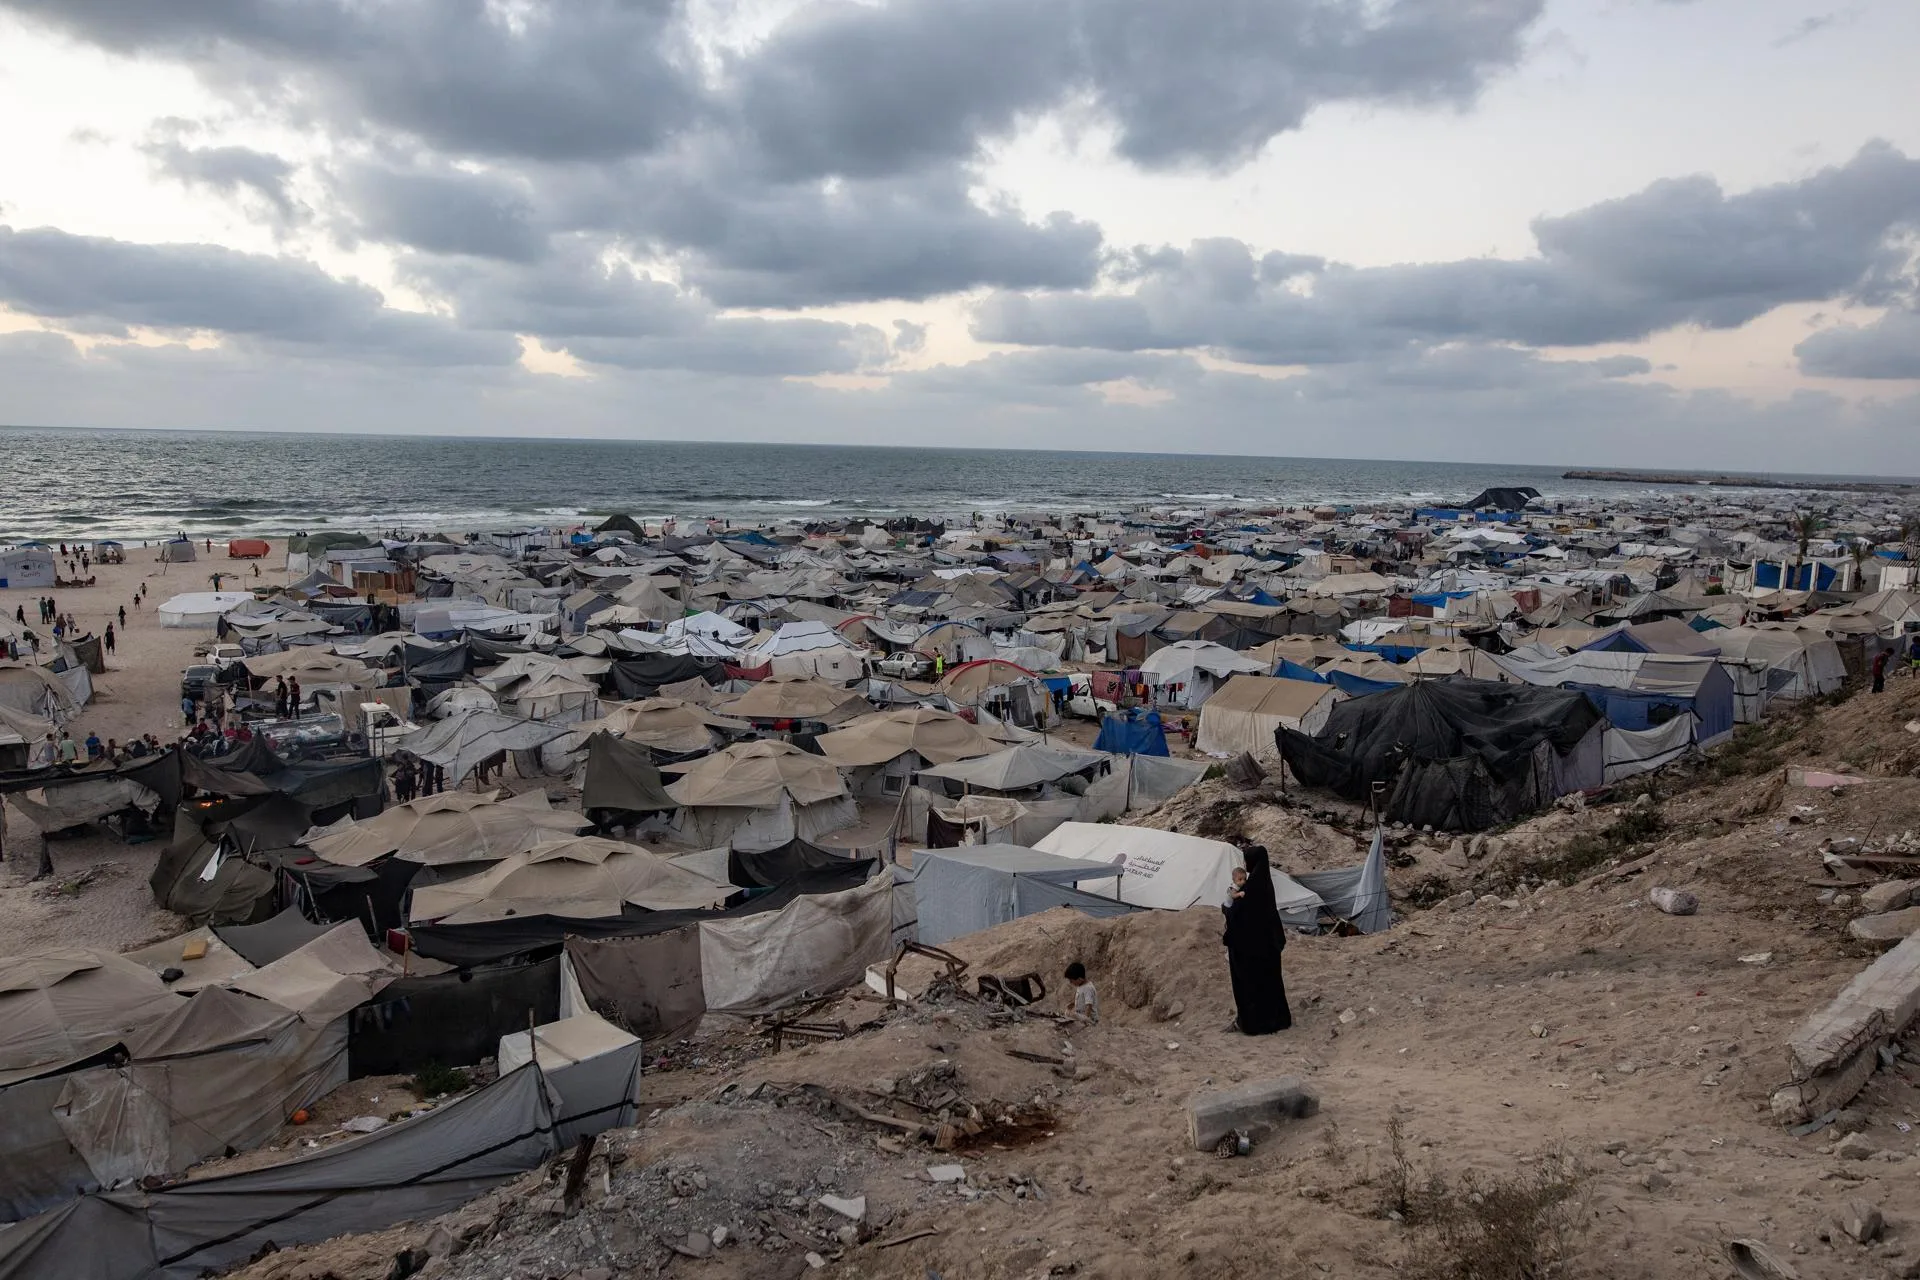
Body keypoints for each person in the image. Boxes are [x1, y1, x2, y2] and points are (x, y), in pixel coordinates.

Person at [1222, 844, 1291, 1034]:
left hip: (1249, 950)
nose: (1244, 864)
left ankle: (1251, 1023)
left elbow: (1237, 913)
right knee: (1270, 983)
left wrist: (1226, 908)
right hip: (1268, 947)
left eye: (1246, 860)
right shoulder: (1265, 884)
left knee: (1250, 985)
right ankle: (1277, 1019)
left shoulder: (1251, 888)